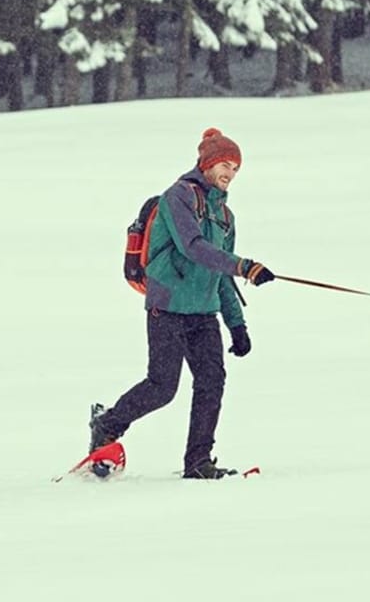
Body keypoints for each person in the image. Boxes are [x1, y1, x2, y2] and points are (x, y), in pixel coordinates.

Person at [91, 128, 275, 479]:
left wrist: (237, 325)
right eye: (224, 164)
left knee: (212, 382)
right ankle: (107, 424)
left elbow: (219, 271)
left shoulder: (225, 216)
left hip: (204, 312)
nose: (230, 173)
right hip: (168, 305)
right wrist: (244, 266)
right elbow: (194, 247)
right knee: (162, 386)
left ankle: (198, 461)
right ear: (206, 164)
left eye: (236, 168)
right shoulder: (178, 197)